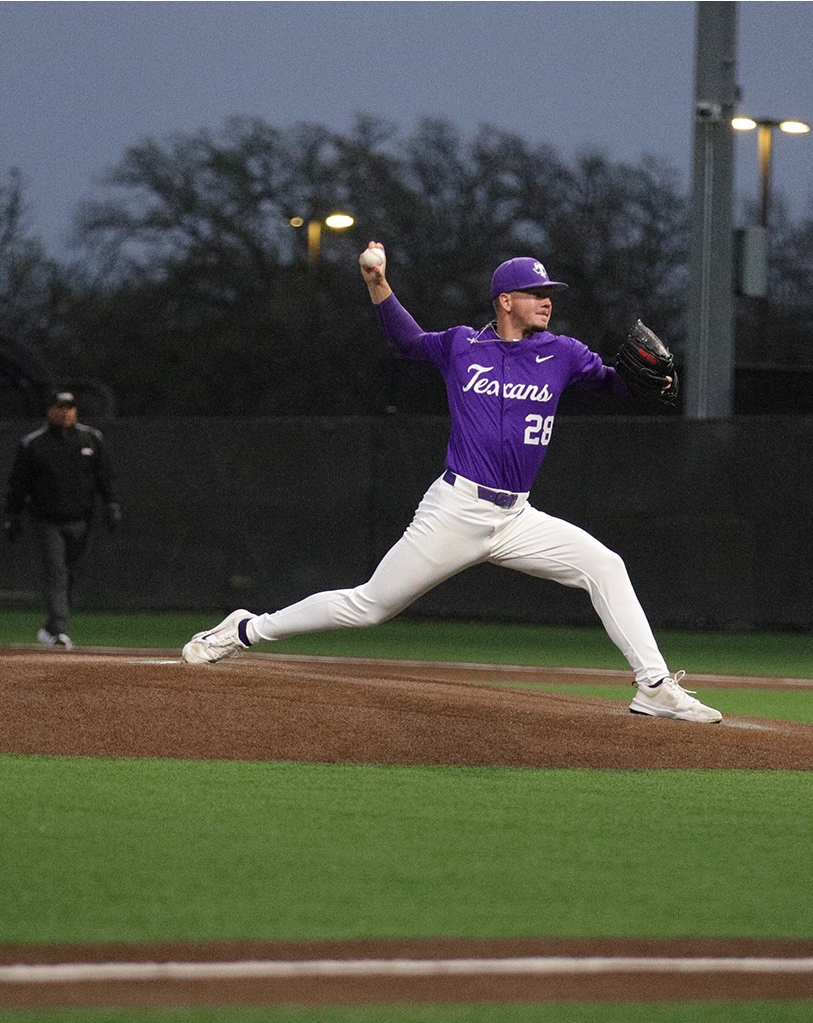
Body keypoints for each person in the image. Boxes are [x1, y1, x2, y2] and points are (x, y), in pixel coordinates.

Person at [181, 245, 722, 723]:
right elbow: (407, 340)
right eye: (534, 292)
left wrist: (652, 383)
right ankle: (245, 630)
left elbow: (619, 387)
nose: (547, 300)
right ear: (505, 300)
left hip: (518, 518)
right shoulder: (462, 346)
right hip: (456, 509)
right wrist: (378, 284)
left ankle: (653, 688)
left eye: (549, 293)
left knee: (605, 565)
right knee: (369, 606)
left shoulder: (564, 353)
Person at [3, 391, 121, 649]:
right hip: (47, 521)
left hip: (81, 521)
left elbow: (104, 477)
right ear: (49, 411)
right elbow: (19, 483)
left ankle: (50, 627)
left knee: (70, 574)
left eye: (70, 407)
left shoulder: (91, 438)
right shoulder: (34, 444)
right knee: (57, 572)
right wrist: (12, 515)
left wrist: (111, 504)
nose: (66, 412)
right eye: (60, 407)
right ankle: (59, 630)